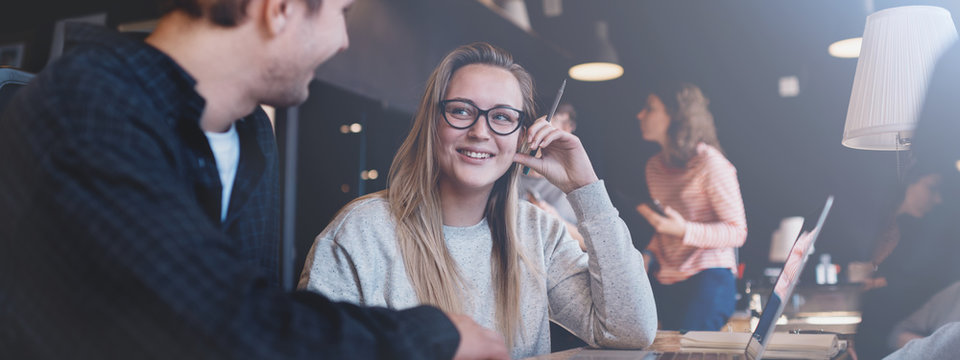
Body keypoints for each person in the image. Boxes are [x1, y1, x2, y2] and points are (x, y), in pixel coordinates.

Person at [0, 0, 508, 359]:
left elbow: (252, 301)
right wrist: (437, 339)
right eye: (342, 13)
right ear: (280, 8)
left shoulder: (250, 132)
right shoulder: (87, 107)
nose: (343, 40)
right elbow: (224, 326)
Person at [299, 43, 657, 358]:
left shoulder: (538, 233)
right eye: (461, 110)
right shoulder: (360, 232)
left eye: (502, 117)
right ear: (432, 123)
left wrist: (585, 188)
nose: (480, 131)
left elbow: (631, 331)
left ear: (522, 137)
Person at [634, 82, 747, 331]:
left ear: (675, 115)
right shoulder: (653, 167)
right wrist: (649, 254)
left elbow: (737, 231)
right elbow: (666, 227)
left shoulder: (710, 163)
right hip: (668, 280)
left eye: (650, 108)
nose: (640, 114)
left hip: (709, 280)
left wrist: (684, 229)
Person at [517, 103, 586, 250]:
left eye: (570, 124)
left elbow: (590, 244)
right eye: (560, 121)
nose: (568, 130)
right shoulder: (505, 177)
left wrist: (555, 221)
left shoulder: (572, 179)